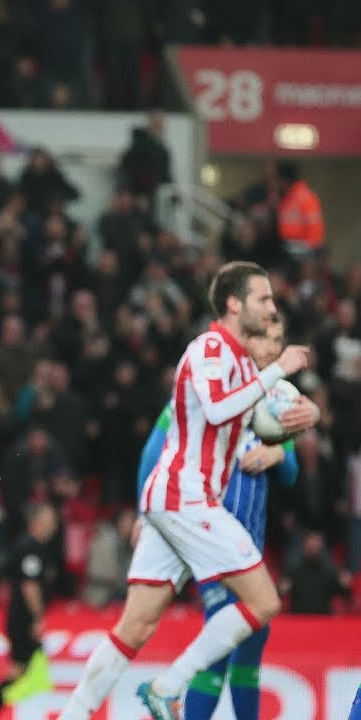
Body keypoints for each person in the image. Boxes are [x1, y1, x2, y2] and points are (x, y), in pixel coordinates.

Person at [58, 261, 318, 720]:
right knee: (264, 601)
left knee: (136, 626)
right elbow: (218, 410)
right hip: (185, 496)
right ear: (234, 304)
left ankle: (72, 715)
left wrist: (304, 417)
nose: (271, 307)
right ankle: (167, 686)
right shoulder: (210, 349)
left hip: (179, 503)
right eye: (263, 298)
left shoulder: (242, 364)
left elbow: (265, 421)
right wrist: (279, 369)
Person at [136, 315, 302, 720]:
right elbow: (153, 449)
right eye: (265, 339)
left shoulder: (279, 398)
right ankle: (168, 693)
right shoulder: (208, 386)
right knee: (226, 636)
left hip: (249, 541)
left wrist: (276, 454)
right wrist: (143, 512)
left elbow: (292, 472)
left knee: (253, 638)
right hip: (207, 534)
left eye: (278, 341)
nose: (272, 349)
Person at [0, 502, 60, 719]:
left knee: (22, 667)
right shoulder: (30, 549)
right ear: (36, 523)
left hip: (19, 617)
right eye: (50, 521)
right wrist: (37, 618)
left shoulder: (33, 548)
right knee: (22, 667)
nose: (53, 526)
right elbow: (29, 585)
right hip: (22, 618)